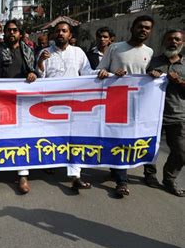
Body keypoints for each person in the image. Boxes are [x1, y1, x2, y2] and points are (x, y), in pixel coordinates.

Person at [97, 15, 155, 198]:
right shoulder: (115, 48)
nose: (143, 30)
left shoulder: (150, 52)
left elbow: (149, 77)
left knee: (135, 138)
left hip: (140, 104)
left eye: (147, 28)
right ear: (132, 28)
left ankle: (129, 172)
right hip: (116, 103)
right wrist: (110, 73)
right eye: (140, 27)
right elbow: (99, 70)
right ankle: (122, 180)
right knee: (118, 139)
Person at [36, 21, 97, 192]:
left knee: (73, 139)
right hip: (50, 104)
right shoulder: (45, 52)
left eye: (64, 31)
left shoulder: (78, 53)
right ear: (54, 34)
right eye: (58, 31)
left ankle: (75, 176)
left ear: (70, 35)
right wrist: (41, 61)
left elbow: (87, 72)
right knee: (52, 136)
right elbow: (40, 76)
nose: (61, 33)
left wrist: (102, 73)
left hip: (73, 104)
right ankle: (50, 162)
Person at [0, 19, 37, 194]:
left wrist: (32, 73)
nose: (11, 33)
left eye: (15, 30)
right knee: (1, 134)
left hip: (22, 102)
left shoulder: (27, 50)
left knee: (22, 136)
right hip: (0, 101)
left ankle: (23, 174)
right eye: (8, 30)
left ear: (20, 33)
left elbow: (34, 70)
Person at [147, 29, 184, 197]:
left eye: (177, 39)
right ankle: (150, 175)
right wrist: (149, 76)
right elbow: (140, 84)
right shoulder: (154, 62)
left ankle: (169, 178)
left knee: (181, 151)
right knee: (150, 147)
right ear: (164, 42)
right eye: (169, 39)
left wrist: (180, 81)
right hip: (154, 115)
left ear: (182, 43)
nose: (173, 42)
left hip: (178, 116)